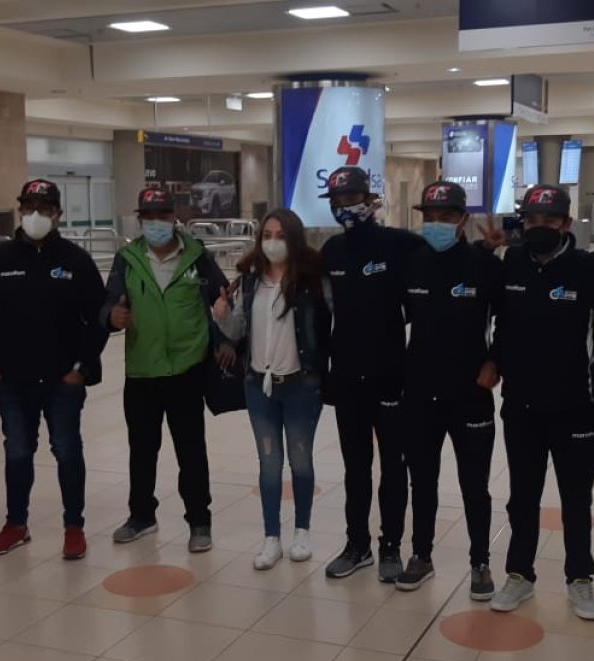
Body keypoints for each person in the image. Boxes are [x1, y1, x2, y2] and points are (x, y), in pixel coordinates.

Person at [486, 185, 594, 619]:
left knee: (576, 499)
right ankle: (519, 574)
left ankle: (580, 578)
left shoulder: (587, 269)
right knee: (523, 496)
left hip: (577, 405)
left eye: (549, 222)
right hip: (521, 404)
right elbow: (502, 322)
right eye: (532, 221)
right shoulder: (512, 261)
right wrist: (494, 360)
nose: (539, 229)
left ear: (565, 225)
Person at [0, 179, 107, 561]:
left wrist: (81, 369)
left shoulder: (75, 260)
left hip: (62, 380)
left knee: (67, 451)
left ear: (58, 214)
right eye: (29, 207)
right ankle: (16, 524)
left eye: (45, 208)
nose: (37, 215)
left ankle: (73, 527)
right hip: (12, 380)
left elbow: (97, 319)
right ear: (20, 210)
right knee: (17, 451)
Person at [103, 187, 233, 554]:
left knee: (191, 449)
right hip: (142, 370)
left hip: (186, 369)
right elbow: (110, 302)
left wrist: (224, 340)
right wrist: (112, 316)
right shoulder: (126, 258)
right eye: (149, 217)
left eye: (163, 216)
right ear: (140, 220)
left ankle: (199, 521)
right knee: (142, 448)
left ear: (174, 218)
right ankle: (141, 516)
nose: (156, 223)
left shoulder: (196, 255)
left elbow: (223, 300)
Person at [396, 181, 503, 597]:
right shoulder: (412, 263)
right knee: (421, 480)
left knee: (474, 483)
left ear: (462, 220)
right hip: (420, 392)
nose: (436, 224)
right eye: (429, 217)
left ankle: (480, 562)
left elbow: (509, 320)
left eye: (445, 217)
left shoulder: (486, 267)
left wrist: (495, 361)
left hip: (470, 393)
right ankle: (421, 555)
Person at [319, 166, 424, 582]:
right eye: (338, 202)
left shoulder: (399, 244)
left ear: (371, 199)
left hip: (391, 374)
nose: (345, 207)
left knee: (394, 467)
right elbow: (319, 311)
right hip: (347, 375)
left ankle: (391, 547)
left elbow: (445, 260)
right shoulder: (331, 252)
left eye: (352, 199)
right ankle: (356, 544)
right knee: (355, 466)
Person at [212, 209, 331, 570]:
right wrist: (221, 314)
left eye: (280, 235)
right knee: (268, 465)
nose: (272, 242)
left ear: (293, 238)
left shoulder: (313, 281)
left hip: (301, 386)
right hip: (258, 387)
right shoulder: (250, 281)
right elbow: (238, 332)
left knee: (300, 461)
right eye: (267, 235)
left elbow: (331, 322)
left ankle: (302, 532)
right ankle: (271, 538)